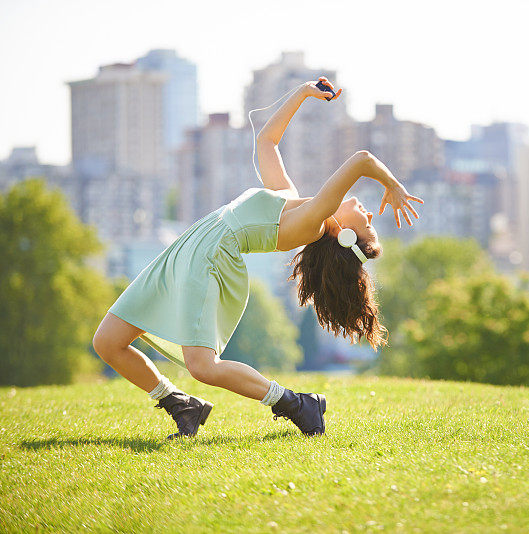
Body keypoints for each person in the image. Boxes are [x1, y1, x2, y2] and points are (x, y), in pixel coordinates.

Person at [92, 77, 423, 439]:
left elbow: (361, 160)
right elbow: (266, 140)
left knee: (202, 366)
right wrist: (303, 93)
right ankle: (179, 404)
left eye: (368, 225)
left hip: (212, 255)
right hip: (190, 246)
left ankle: (296, 403)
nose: (369, 213)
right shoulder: (288, 198)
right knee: (108, 342)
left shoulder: (311, 223)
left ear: (344, 236)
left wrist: (392, 184)